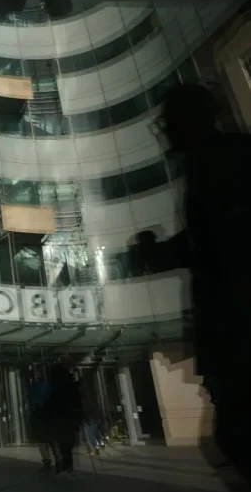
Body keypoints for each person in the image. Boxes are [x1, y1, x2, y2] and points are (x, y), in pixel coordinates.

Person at [135, 83, 251, 483]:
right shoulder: (223, 158)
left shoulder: (218, 163)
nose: (166, 131)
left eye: (170, 122)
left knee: (235, 431)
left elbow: (216, 239)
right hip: (230, 323)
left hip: (235, 322)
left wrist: (159, 253)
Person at [46, 355, 82, 479]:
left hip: (59, 415)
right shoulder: (67, 380)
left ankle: (64, 469)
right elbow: (75, 395)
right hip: (66, 415)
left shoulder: (56, 380)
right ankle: (67, 469)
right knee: (66, 443)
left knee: (63, 444)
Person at [29, 368, 51, 469]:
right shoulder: (43, 385)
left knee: (42, 440)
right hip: (43, 414)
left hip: (41, 414)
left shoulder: (37, 386)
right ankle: (48, 459)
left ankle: (47, 460)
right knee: (44, 440)